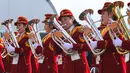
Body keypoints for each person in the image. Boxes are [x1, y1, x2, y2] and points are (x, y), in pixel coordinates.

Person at [58, 9, 90, 73]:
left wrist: (72, 46)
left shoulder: (80, 29)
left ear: (72, 18)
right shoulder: (64, 33)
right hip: (68, 67)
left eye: (65, 19)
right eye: (62, 21)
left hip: (79, 66)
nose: (63, 22)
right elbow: (57, 51)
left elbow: (89, 46)